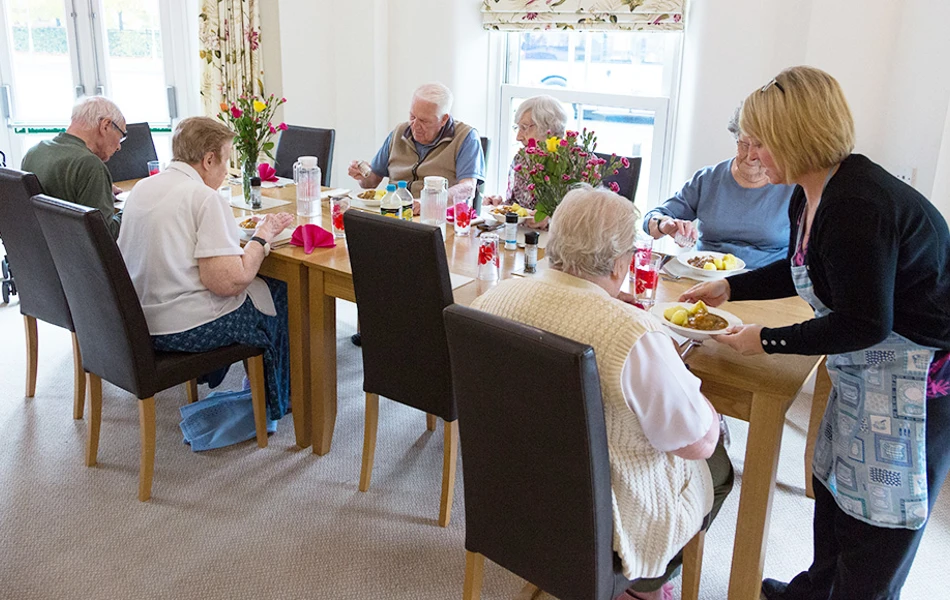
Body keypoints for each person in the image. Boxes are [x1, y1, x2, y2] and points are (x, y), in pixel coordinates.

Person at [681, 66, 950, 600]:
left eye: (760, 141)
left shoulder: (860, 204)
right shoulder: (810, 192)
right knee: (833, 490)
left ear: (796, 136)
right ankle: (814, 590)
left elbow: (865, 322)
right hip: (865, 369)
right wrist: (730, 289)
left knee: (878, 525)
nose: (751, 154)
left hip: (912, 381)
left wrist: (767, 340)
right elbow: (804, 265)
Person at [473, 187, 734, 600]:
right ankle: (643, 587)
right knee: (718, 458)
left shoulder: (493, 298)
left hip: (512, 492)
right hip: (604, 521)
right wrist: (703, 402)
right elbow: (696, 443)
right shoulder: (633, 334)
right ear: (620, 263)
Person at [117, 116, 295, 423]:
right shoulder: (204, 197)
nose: (226, 172)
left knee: (261, 290)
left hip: (137, 322)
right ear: (208, 159)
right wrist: (261, 238)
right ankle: (277, 399)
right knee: (278, 293)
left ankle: (232, 378)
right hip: (182, 329)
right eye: (225, 161)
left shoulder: (143, 188)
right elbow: (229, 282)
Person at [641, 105, 795, 269]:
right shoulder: (708, 179)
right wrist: (664, 224)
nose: (750, 156)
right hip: (706, 280)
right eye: (744, 144)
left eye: (759, 146)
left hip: (765, 284)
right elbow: (651, 219)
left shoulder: (791, 186)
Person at [347, 82, 485, 206]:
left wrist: (427, 203)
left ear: (444, 119)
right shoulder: (399, 132)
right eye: (412, 117)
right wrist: (361, 174)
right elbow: (370, 182)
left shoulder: (466, 137)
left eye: (424, 121)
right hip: (394, 213)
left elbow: (468, 188)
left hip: (437, 218)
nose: (415, 126)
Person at [22, 96, 127, 239]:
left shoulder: (34, 152)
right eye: (121, 136)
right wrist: (130, 208)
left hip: (46, 253)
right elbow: (106, 235)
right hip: (83, 256)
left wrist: (101, 192)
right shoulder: (89, 164)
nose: (119, 146)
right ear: (105, 125)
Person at [483, 95, 568, 229]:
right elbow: (516, 206)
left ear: (548, 128)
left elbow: (588, 220)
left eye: (524, 127)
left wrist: (551, 220)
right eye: (518, 128)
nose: (518, 137)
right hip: (522, 238)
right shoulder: (522, 159)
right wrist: (499, 206)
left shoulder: (574, 163)